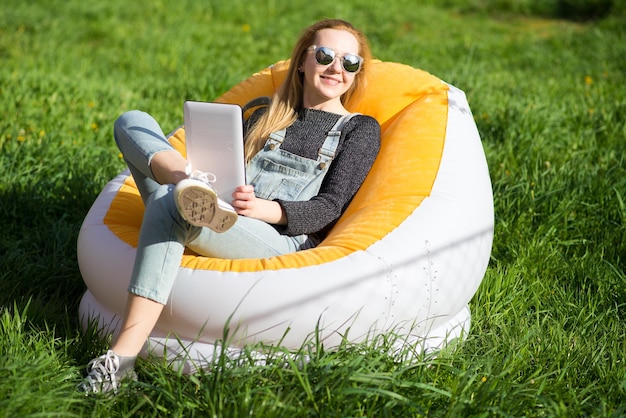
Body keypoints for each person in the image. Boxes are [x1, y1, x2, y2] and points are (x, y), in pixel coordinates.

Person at [79, 18, 381, 394]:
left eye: (350, 62)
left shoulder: (360, 129)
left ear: (356, 72)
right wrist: (199, 179)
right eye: (325, 55)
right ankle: (183, 181)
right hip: (217, 208)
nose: (337, 67)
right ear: (302, 61)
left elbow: (330, 206)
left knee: (170, 206)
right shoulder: (263, 113)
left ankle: (120, 361)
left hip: (277, 235)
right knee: (132, 121)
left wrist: (266, 209)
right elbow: (227, 168)